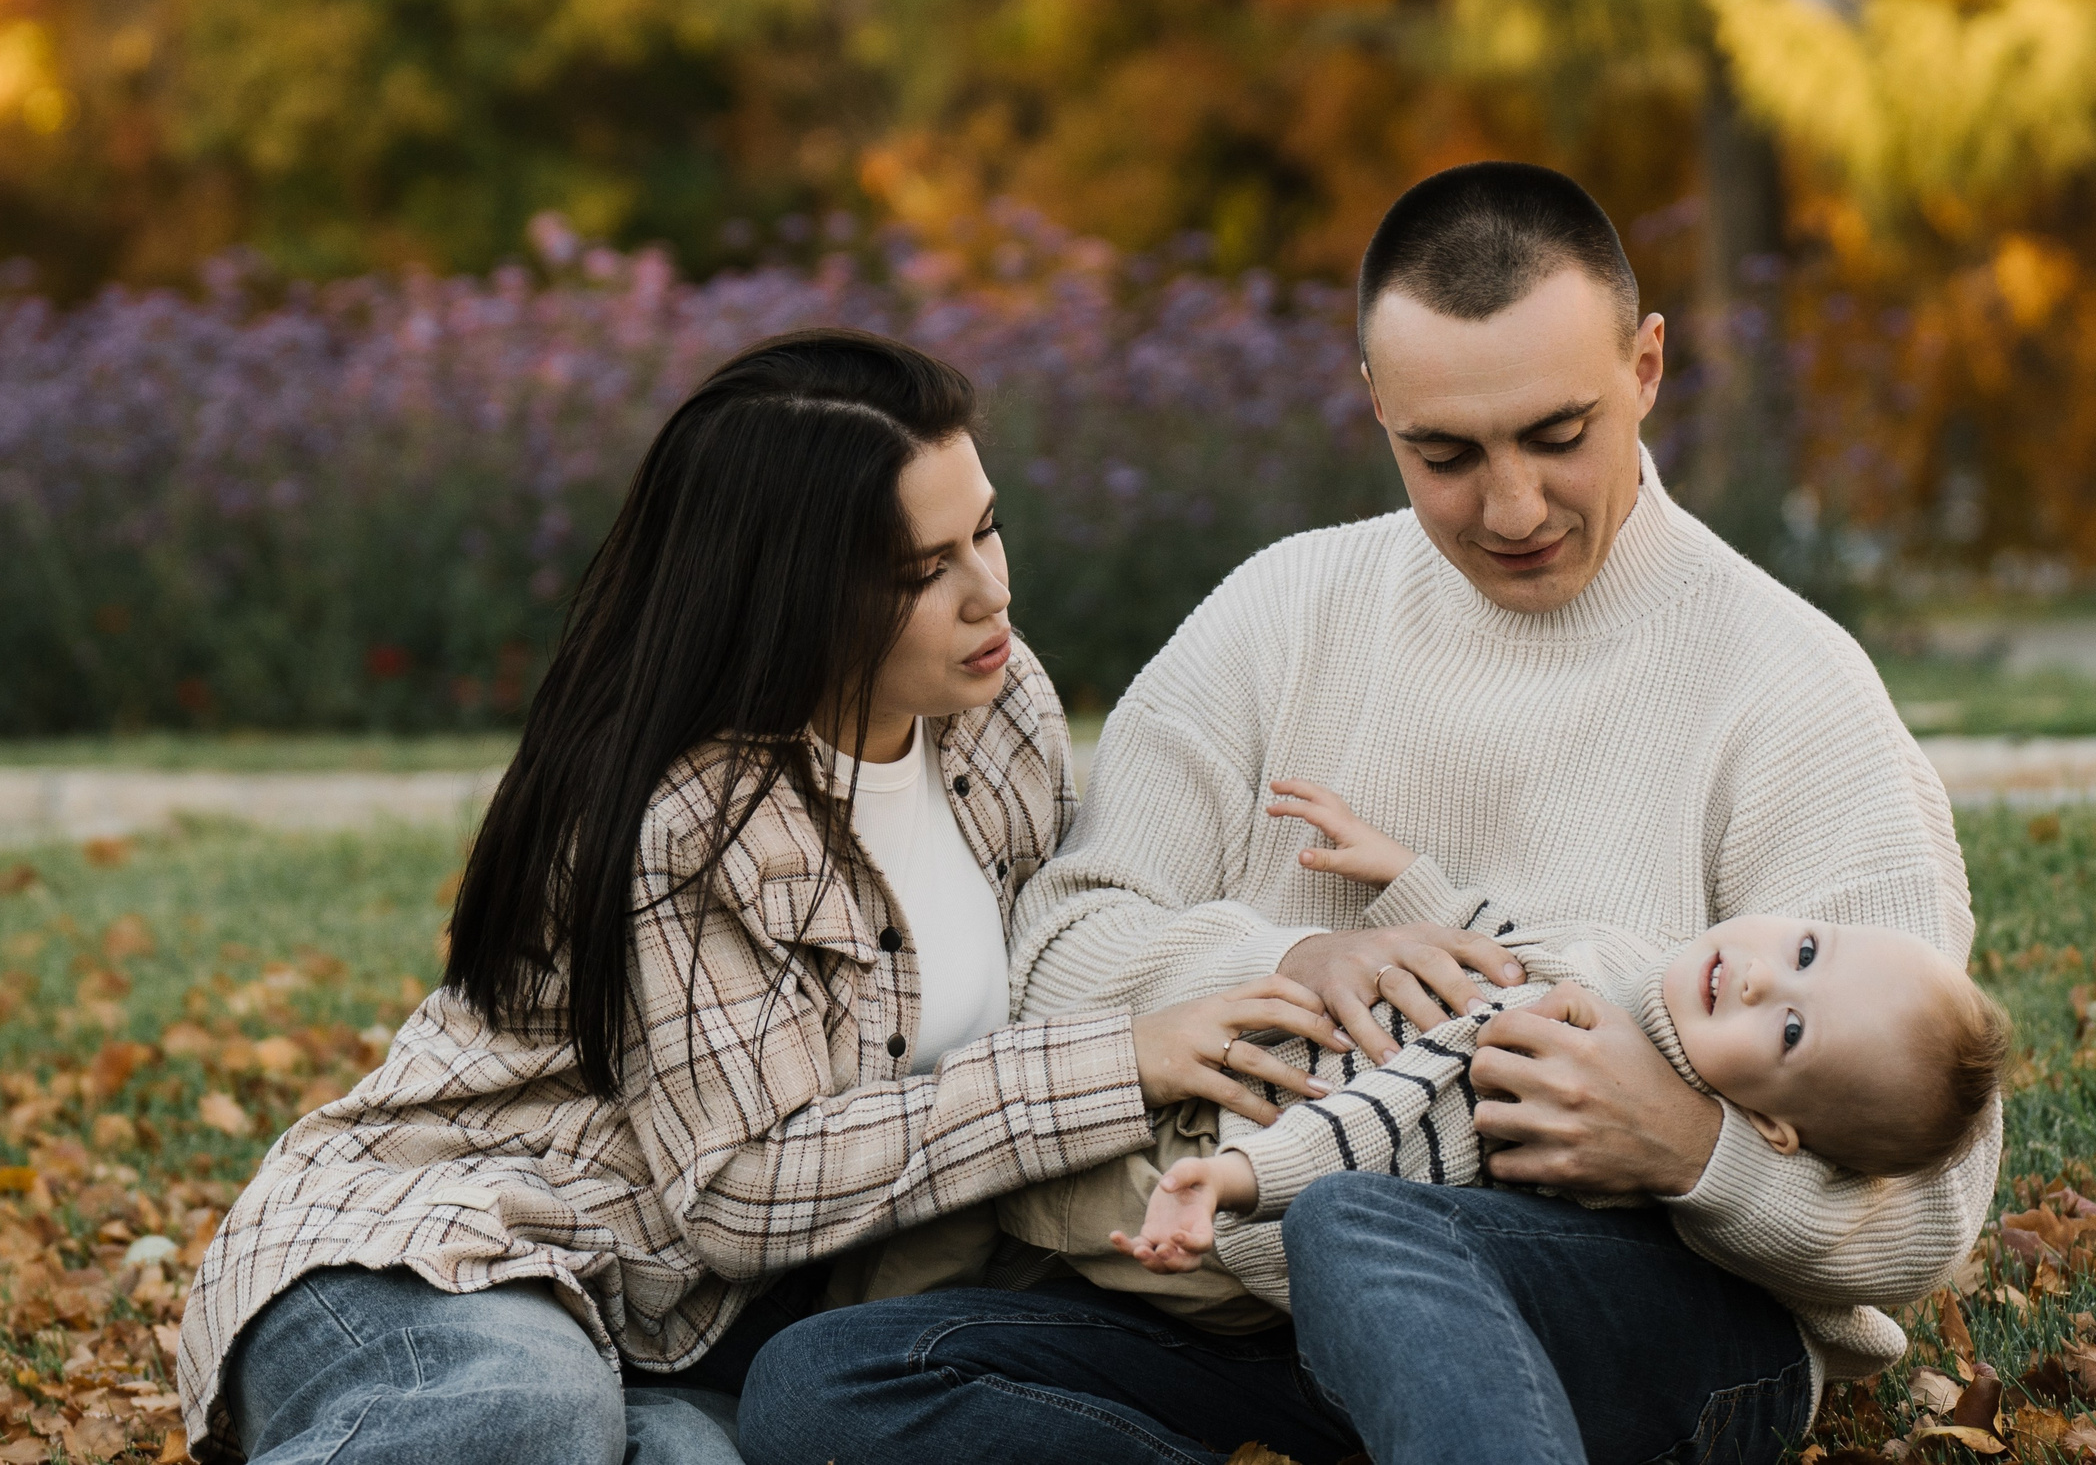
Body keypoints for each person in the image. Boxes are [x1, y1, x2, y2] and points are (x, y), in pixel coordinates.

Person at [738, 163, 1998, 1465]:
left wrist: (1692, 1148)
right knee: (828, 1378)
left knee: (1357, 1217)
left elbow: (1935, 1198)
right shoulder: (1277, 614)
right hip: (1252, 1321)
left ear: (1649, 366)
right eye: (1445, 452)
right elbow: (1057, 949)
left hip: (1625, 1323)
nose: (1510, 506)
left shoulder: (1792, 689)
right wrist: (1279, 961)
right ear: (1378, 405)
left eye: (1558, 433)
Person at [173, 328, 1345, 1465]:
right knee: (525, 1415)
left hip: (686, 1337)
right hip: (455, 1250)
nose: (989, 591)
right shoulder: (688, 816)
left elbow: (1066, 944)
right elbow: (743, 1184)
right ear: (792, 592)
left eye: (985, 530)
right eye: (922, 570)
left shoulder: (996, 708)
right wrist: (1118, 1060)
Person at [1110, 784, 2009, 1303]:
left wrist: (1235, 1180)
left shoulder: (1560, 1088)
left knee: (1039, 1220)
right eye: (1806, 948)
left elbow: (1380, 1127)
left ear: (1772, 1128)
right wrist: (1406, 876)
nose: (1762, 976)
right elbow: (1507, 953)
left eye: (1790, 1028)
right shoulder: (1630, 979)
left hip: (1243, 1159)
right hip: (1259, 1092)